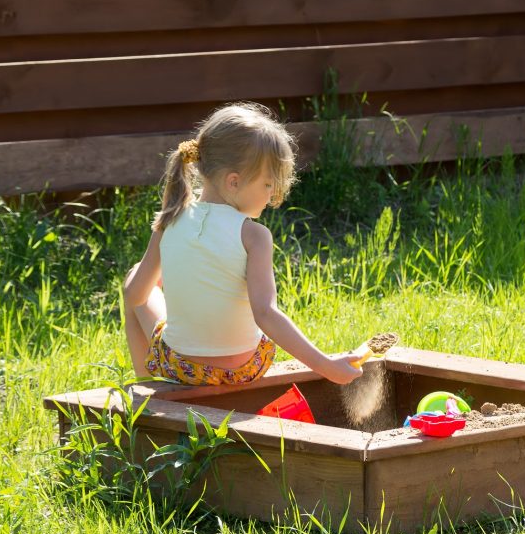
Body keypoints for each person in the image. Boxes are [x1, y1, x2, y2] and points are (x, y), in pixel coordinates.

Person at [122, 102, 363, 386]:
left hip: (181, 366)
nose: (272, 193)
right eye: (267, 184)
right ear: (233, 182)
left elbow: (135, 296)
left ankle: (145, 386)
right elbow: (266, 314)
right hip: (245, 367)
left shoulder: (170, 221)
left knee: (135, 278)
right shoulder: (254, 235)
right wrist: (327, 366)